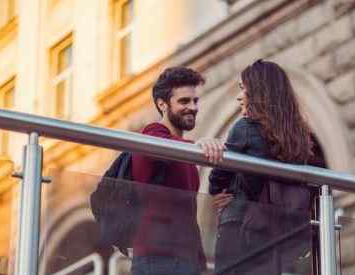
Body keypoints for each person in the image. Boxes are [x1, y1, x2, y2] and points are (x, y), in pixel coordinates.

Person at [208, 60, 314, 275]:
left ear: (257, 92)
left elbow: (216, 180)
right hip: (274, 235)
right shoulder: (297, 137)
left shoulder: (244, 128)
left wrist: (223, 190)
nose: (239, 97)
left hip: (240, 227)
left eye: (243, 89)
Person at [130, 67, 224, 275]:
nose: (192, 107)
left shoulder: (185, 151)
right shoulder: (153, 132)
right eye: (184, 101)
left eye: (195, 101)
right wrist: (197, 144)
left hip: (183, 259)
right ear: (162, 104)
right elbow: (160, 145)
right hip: (158, 258)